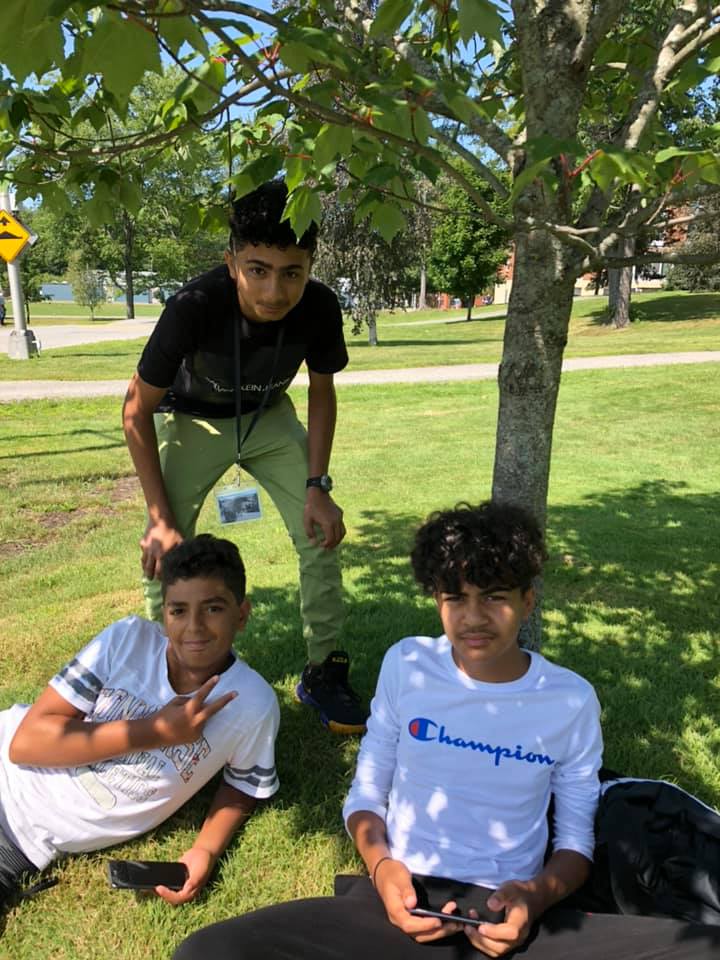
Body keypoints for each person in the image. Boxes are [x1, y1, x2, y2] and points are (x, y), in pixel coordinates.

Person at [171, 503, 719, 959]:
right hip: (402, 900)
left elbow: (575, 842)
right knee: (208, 951)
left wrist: (534, 898)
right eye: (455, 597)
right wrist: (382, 869)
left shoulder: (569, 700)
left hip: (512, 915)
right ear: (436, 599)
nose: (473, 618)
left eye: (494, 596)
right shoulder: (407, 666)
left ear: (527, 601)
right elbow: (366, 793)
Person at [122, 180, 366, 735]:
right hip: (193, 419)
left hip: (267, 418)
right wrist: (159, 518)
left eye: (292, 273)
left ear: (310, 266)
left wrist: (318, 485)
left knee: (320, 532)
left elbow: (321, 392)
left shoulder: (320, 306)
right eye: (258, 270)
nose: (275, 292)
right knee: (166, 548)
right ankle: (164, 673)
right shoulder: (192, 306)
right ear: (231, 261)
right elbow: (135, 410)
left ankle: (324, 670)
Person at [0, 534, 279, 908]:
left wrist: (205, 850)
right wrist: (156, 732)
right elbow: (25, 743)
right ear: (163, 614)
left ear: (241, 614)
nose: (194, 627)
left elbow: (243, 785)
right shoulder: (126, 640)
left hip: (21, 839)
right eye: (178, 611)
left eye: (213, 608)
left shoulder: (253, 703)